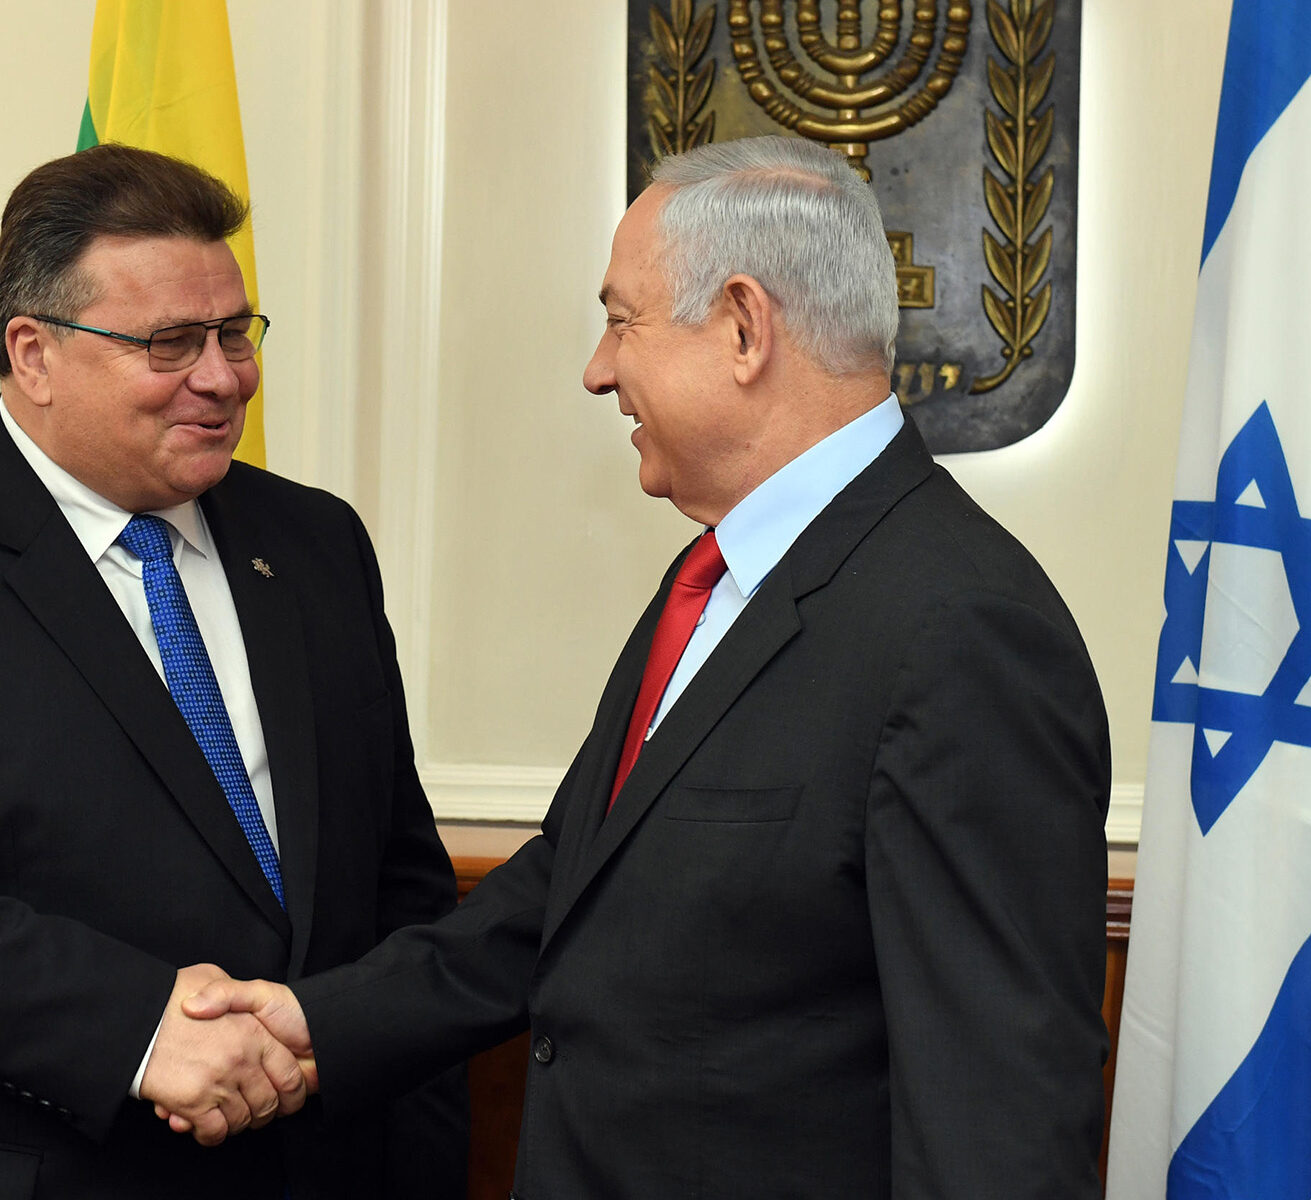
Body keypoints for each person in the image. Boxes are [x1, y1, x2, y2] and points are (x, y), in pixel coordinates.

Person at [178, 135, 1113, 1197]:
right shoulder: (713, 577)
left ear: (745, 328)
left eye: (622, 321)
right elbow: (571, 889)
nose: (598, 368)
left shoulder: (963, 631)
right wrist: (311, 1021)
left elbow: (997, 1115)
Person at [0, 144, 464, 1200]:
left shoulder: (317, 544)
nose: (221, 376)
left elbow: (398, 885)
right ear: (34, 353)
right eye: (170, 342)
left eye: (235, 333)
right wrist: (143, 1028)